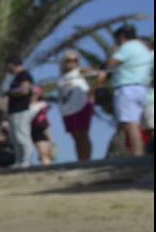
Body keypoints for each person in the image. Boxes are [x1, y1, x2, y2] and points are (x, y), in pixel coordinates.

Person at [97, 24, 154, 157]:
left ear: (122, 37)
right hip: (142, 89)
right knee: (145, 126)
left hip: (128, 88)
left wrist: (104, 67)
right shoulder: (142, 49)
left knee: (131, 124)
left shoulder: (128, 46)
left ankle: (138, 155)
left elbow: (111, 63)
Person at [57, 50, 94, 161]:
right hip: (68, 108)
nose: (72, 62)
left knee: (82, 134)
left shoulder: (80, 71)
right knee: (75, 135)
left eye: (75, 60)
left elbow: (97, 75)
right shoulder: (62, 77)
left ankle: (86, 160)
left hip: (81, 105)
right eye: (69, 60)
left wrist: (92, 93)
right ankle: (81, 160)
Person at [5, 55, 36, 168]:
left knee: (22, 136)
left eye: (7, 66)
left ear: (11, 64)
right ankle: (19, 161)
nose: (7, 69)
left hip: (21, 110)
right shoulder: (16, 77)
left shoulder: (24, 75)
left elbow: (25, 90)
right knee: (15, 138)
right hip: (13, 112)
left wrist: (9, 93)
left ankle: (26, 160)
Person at [30, 86, 54, 166]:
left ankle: (47, 167)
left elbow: (44, 120)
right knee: (43, 152)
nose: (34, 95)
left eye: (36, 93)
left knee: (46, 153)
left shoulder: (42, 104)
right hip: (33, 130)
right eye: (33, 93)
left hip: (42, 129)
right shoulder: (26, 106)